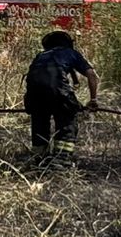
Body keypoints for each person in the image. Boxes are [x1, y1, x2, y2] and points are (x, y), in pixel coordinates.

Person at [23, 29, 99, 164]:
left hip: (33, 94)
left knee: (39, 121)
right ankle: (61, 159)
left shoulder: (41, 55)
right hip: (58, 91)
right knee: (67, 119)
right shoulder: (70, 53)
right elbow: (91, 75)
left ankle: (40, 158)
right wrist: (93, 100)